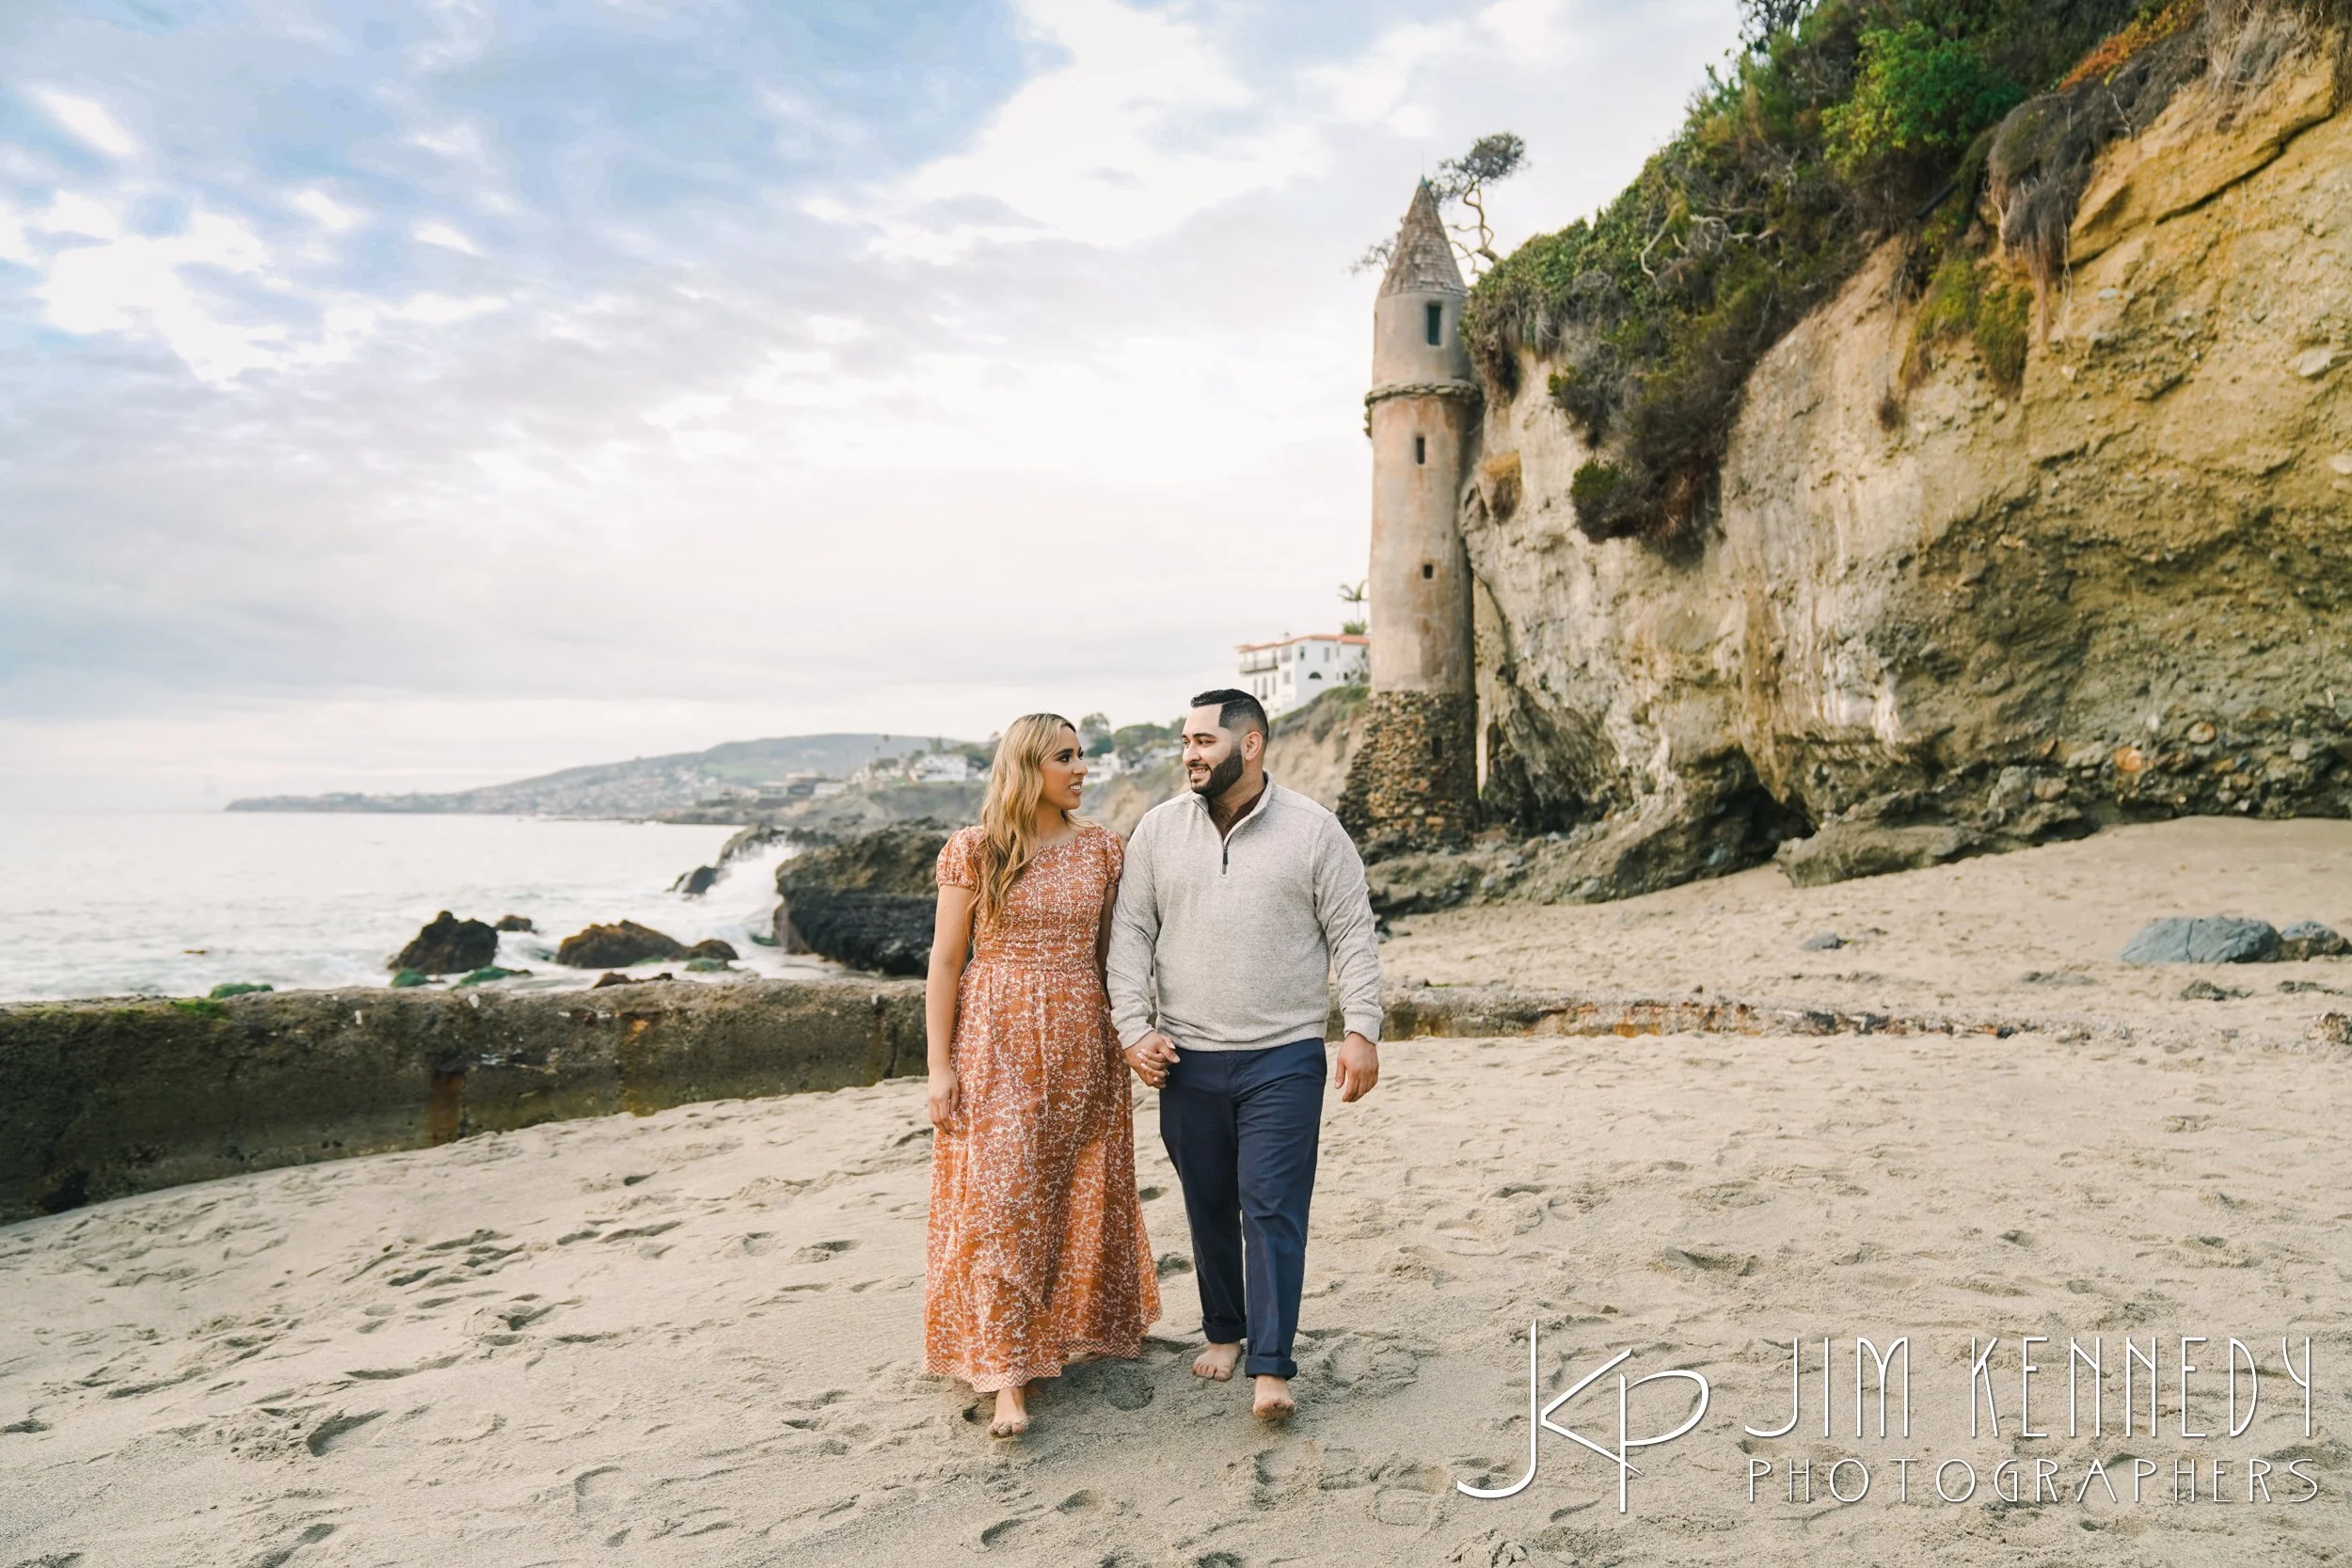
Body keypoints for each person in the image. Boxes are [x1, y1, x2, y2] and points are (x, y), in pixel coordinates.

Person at [1107, 689, 1382, 1421]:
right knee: (1207, 1206)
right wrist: (1133, 1029)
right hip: (1186, 1056)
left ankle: (1271, 1363)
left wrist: (1361, 1028)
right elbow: (1130, 934)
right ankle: (1224, 1330)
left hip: (1284, 1056)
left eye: (1204, 741)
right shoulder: (1159, 829)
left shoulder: (1314, 830)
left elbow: (1353, 931)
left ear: (1251, 743)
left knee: (1271, 1207)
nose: (1191, 755)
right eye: (1186, 742)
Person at [922, 713, 1159, 1438]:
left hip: (1083, 1040)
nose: (1082, 767)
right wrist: (938, 1066)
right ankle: (1006, 1378)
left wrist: (1134, 1034)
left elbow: (1117, 958)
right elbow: (945, 962)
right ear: (1028, 767)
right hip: (994, 1043)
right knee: (1001, 1203)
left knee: (1072, 1194)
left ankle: (1055, 1334)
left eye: (1082, 754)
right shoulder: (977, 849)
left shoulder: (1102, 850)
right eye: (1066, 756)